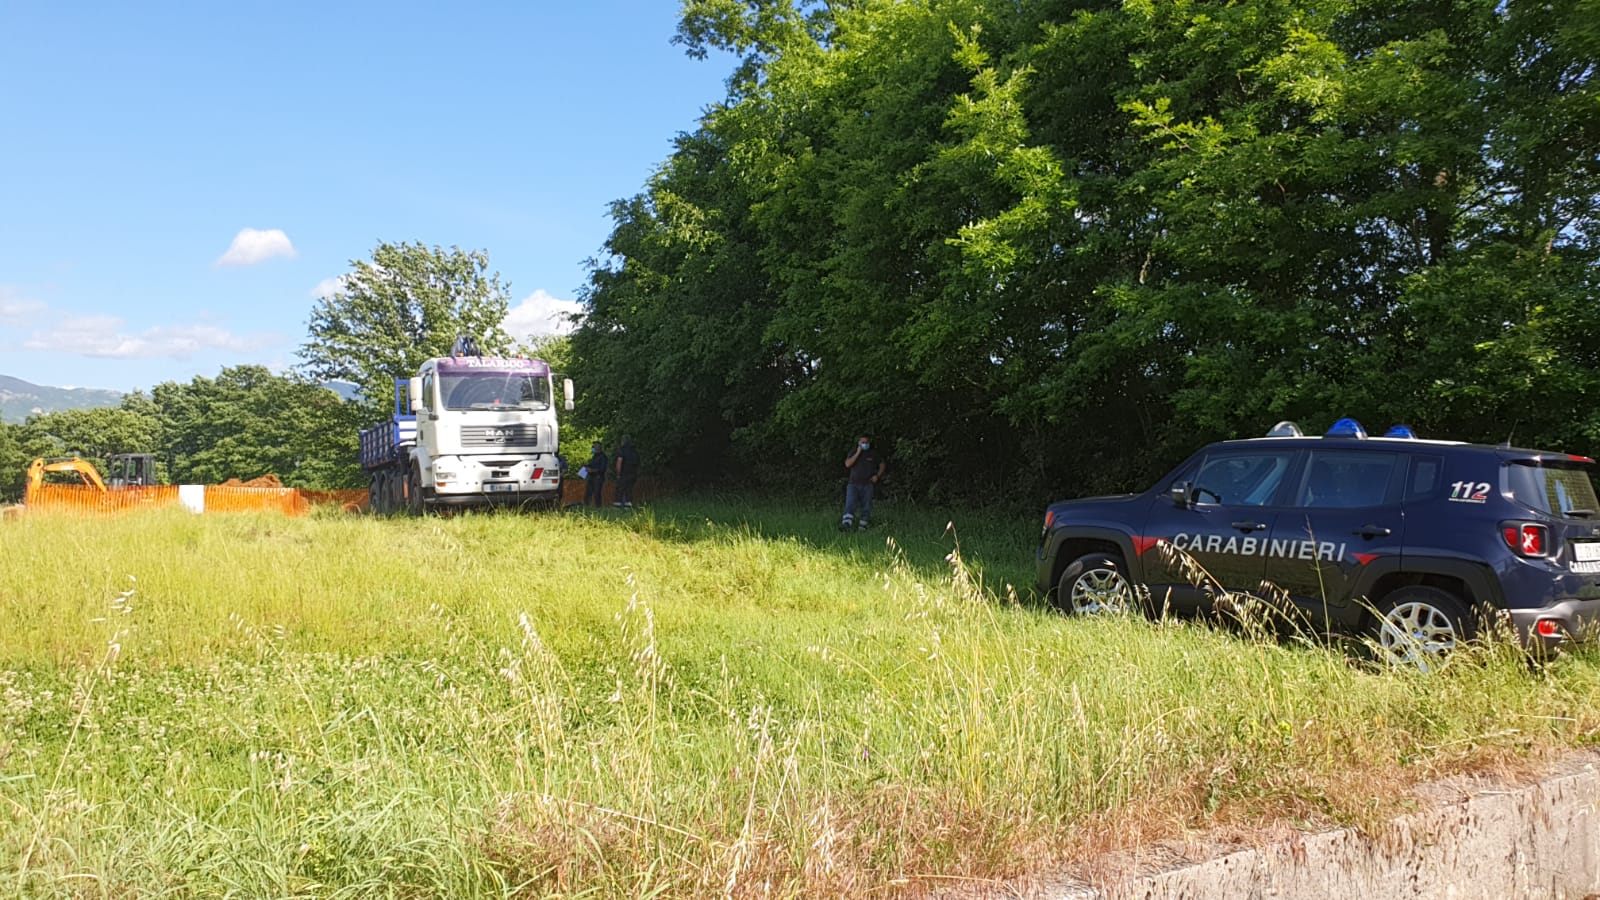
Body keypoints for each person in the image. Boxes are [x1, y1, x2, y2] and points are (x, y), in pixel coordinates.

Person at [840, 436, 885, 531]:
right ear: (859, 443)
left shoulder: (872, 454)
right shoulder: (853, 452)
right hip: (853, 484)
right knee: (850, 504)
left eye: (866, 442)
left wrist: (877, 476)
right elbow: (848, 464)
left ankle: (863, 527)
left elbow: (882, 464)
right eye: (862, 442)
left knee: (866, 506)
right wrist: (858, 452)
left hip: (867, 484)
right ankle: (846, 525)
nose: (865, 444)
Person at [613, 434, 640, 508]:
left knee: (620, 490)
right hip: (633, 474)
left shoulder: (622, 450)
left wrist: (618, 474)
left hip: (623, 474)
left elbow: (619, 462)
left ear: (623, 441)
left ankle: (617, 507)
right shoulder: (634, 451)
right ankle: (628, 507)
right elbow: (638, 463)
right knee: (629, 491)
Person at [584, 441, 608, 507]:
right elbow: (591, 464)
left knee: (597, 494)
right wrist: (587, 466)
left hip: (598, 478)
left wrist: (592, 470)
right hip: (591, 477)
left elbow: (602, 469)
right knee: (588, 493)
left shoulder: (603, 457)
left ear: (598, 448)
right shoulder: (594, 456)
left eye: (593, 447)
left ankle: (598, 508)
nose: (592, 448)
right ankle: (586, 507)